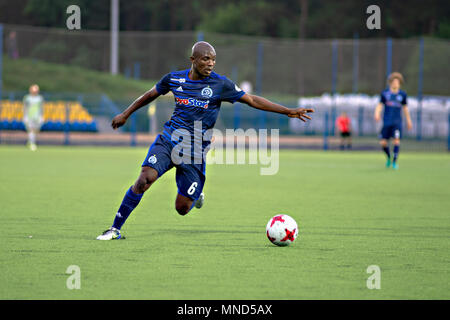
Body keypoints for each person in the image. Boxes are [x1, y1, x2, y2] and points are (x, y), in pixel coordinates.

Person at [96, 41, 314, 240]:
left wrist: (288, 111)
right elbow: (150, 95)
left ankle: (196, 192)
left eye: (213, 59)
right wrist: (126, 113)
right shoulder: (174, 78)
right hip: (168, 141)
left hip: (194, 151)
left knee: (181, 208)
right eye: (205, 59)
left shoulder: (220, 84)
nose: (210, 63)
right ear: (193, 60)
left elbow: (252, 100)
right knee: (144, 179)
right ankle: (115, 228)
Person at [374, 72, 412, 169]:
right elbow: (380, 105)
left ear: (400, 83)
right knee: (383, 142)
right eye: (393, 82)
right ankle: (388, 157)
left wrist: (409, 120)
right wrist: (377, 113)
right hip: (386, 122)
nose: (395, 84)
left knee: (396, 141)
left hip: (397, 123)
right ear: (390, 83)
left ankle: (394, 162)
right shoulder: (385, 94)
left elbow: (405, 109)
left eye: (397, 82)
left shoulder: (402, 95)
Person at [23, 84, 44, 151]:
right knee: (31, 129)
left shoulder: (40, 98)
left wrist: (41, 116)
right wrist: (25, 116)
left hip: (37, 116)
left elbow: (41, 108)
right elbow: (25, 107)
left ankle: (30, 141)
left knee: (36, 130)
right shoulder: (27, 98)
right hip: (29, 116)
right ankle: (32, 143)